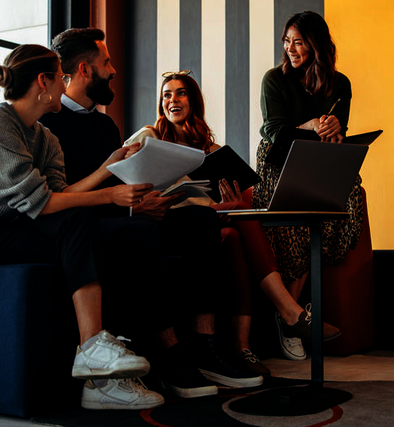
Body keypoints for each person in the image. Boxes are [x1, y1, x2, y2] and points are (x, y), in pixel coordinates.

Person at [0, 44, 164, 411]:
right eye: (61, 78)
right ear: (43, 82)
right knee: (80, 221)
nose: (66, 85)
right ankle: (93, 347)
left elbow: (58, 195)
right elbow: (44, 203)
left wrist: (107, 168)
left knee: (95, 234)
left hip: (8, 229)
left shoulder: (45, 137)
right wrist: (109, 195)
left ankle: (102, 380)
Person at [41, 28, 263, 397]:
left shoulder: (104, 124)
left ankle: (205, 346)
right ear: (84, 70)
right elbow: (62, 197)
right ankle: (170, 354)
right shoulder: (48, 124)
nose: (113, 70)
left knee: (200, 220)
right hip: (81, 224)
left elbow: (127, 179)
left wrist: (145, 201)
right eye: (106, 63)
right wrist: (131, 207)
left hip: (122, 214)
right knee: (141, 231)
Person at [124, 70, 331, 372]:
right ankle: (287, 311)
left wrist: (230, 204)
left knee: (237, 229)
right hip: (164, 224)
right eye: (166, 95)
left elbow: (243, 200)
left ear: (193, 101)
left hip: (206, 224)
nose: (173, 100)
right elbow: (123, 175)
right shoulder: (149, 137)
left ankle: (242, 348)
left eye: (180, 93)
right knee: (233, 227)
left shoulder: (212, 151)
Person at [255, 10, 364, 359]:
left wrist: (335, 131)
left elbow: (339, 130)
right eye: (286, 41)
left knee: (348, 194)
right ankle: (292, 317)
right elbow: (275, 133)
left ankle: (289, 316)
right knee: (300, 218)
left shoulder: (340, 83)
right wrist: (312, 124)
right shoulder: (274, 79)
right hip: (279, 160)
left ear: (316, 45)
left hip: (318, 159)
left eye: (298, 42)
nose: (290, 48)